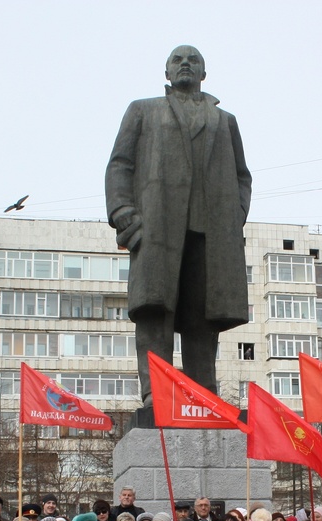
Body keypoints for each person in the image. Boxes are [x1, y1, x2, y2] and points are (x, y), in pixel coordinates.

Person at [105, 44, 252, 404]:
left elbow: (241, 177)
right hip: (157, 230)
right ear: (167, 72)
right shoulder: (144, 110)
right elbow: (120, 165)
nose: (185, 64)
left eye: (194, 60)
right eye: (177, 60)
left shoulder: (225, 120)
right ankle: (157, 393)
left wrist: (232, 219)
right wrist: (125, 214)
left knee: (204, 318)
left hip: (211, 234)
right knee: (156, 313)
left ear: (204, 73)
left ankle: (204, 397)